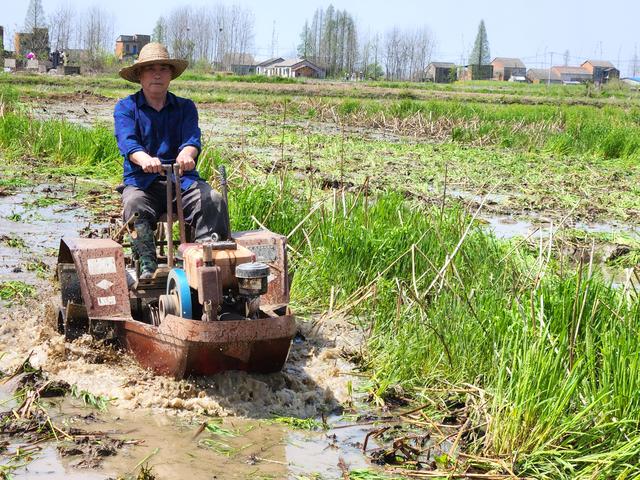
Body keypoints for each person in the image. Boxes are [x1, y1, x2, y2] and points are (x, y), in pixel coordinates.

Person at [114, 42, 229, 280]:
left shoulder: (185, 107)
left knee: (212, 200)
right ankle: (146, 263)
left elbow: (191, 138)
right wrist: (144, 159)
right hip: (143, 182)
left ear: (170, 75)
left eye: (163, 68)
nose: (157, 74)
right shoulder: (126, 107)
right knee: (135, 205)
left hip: (182, 180)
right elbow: (128, 142)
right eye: (150, 68)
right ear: (139, 75)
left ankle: (207, 261)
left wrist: (187, 154)